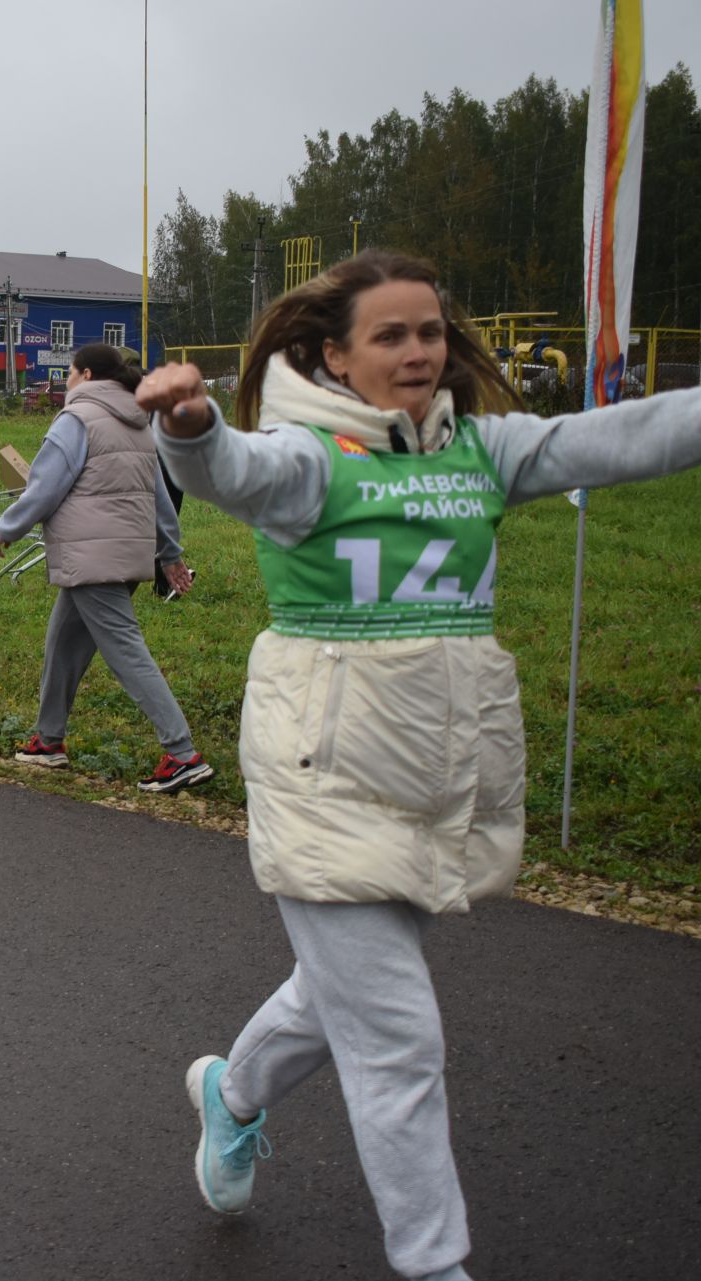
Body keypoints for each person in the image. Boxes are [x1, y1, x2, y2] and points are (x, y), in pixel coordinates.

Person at [134, 248, 701, 1281]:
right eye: (390, 335)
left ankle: (233, 1093)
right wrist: (192, 428)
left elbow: (621, 436)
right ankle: (436, 1266)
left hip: (437, 779)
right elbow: (235, 474)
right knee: (397, 1039)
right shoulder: (311, 460)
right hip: (324, 780)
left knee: (340, 995)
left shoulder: (485, 454)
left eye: (429, 331)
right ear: (333, 356)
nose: (419, 351)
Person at [0, 342, 211, 793]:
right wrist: (169, 554)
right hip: (125, 556)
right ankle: (48, 741)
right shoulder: (137, 423)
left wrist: (9, 526)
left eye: (69, 373)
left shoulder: (77, 420)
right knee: (63, 643)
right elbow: (161, 498)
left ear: (86, 375)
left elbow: (44, 484)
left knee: (127, 653)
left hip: (93, 556)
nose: (66, 381)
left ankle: (183, 754)